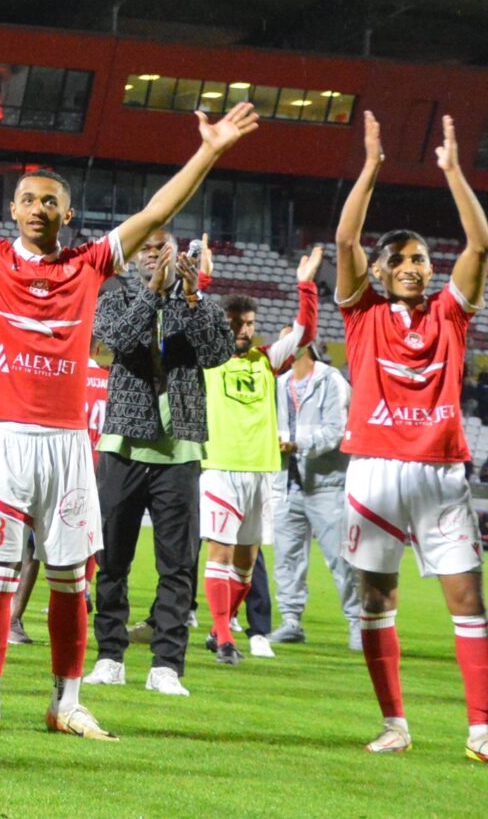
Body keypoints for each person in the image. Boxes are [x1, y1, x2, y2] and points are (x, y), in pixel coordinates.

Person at [0, 78, 258, 740]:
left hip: (68, 443)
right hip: (4, 438)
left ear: (67, 214)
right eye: (26, 198)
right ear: (12, 209)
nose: (36, 206)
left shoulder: (88, 265)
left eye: (50, 199)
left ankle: (66, 700)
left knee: (70, 579)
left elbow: (154, 210)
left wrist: (210, 152)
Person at [330, 112, 487, 759]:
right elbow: (345, 242)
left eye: (420, 257)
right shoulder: (362, 311)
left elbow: (480, 245)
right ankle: (395, 722)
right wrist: (370, 165)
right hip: (373, 473)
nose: (410, 265)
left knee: (467, 597)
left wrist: (453, 172)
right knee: (377, 598)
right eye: (398, 258)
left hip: (440, 474)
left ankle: (481, 727)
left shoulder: (450, 312)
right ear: (382, 268)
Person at [81, 228, 233, 696]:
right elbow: (121, 341)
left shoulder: (193, 300)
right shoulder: (115, 295)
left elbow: (218, 352)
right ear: (132, 260)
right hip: (123, 445)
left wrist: (191, 296)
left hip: (180, 450)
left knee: (178, 565)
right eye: (146, 250)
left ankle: (167, 664)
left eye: (161, 248)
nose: (154, 255)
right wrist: (152, 293)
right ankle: (109, 656)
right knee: (112, 561)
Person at [198, 259, 319, 668]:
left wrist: (305, 286)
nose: (243, 330)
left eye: (248, 323)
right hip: (221, 467)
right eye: (235, 323)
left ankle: (221, 624)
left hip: (263, 472)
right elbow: (188, 312)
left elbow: (305, 333)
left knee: (247, 566)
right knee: (220, 552)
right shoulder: (209, 361)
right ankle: (227, 637)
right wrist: (202, 279)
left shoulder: (267, 360)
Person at [271, 339, 361, 647]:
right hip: (288, 482)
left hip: (327, 484)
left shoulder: (332, 381)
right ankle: (291, 620)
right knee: (287, 558)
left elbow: (338, 430)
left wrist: (296, 444)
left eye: (288, 339)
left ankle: (358, 624)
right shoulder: (280, 383)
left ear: (304, 346)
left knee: (341, 559)